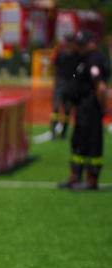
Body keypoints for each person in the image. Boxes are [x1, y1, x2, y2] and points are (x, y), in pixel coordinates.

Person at [59, 30, 109, 191]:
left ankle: (91, 180)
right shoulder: (83, 59)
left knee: (92, 143)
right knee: (78, 143)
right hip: (81, 107)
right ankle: (75, 177)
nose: (78, 47)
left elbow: (100, 87)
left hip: (91, 106)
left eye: (82, 44)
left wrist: (104, 109)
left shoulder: (95, 60)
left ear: (92, 43)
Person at [49, 34, 79, 139]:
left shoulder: (76, 55)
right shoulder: (60, 53)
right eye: (68, 42)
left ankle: (63, 133)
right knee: (56, 108)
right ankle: (53, 131)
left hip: (70, 85)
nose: (69, 44)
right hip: (60, 83)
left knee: (67, 110)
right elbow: (53, 63)